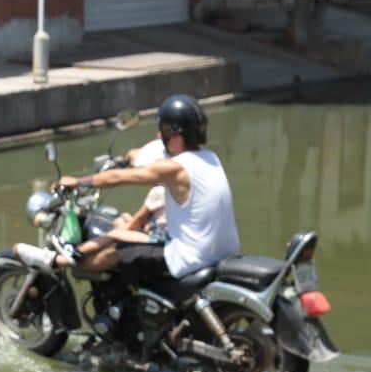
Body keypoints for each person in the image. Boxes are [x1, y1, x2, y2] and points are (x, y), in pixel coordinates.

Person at [15, 94, 239, 280]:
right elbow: (144, 158)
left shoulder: (177, 169)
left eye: (163, 132)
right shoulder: (209, 158)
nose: (160, 137)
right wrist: (126, 157)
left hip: (189, 258)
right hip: (217, 252)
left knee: (117, 251)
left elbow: (121, 178)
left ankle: (58, 262)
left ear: (175, 136)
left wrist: (78, 182)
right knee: (125, 233)